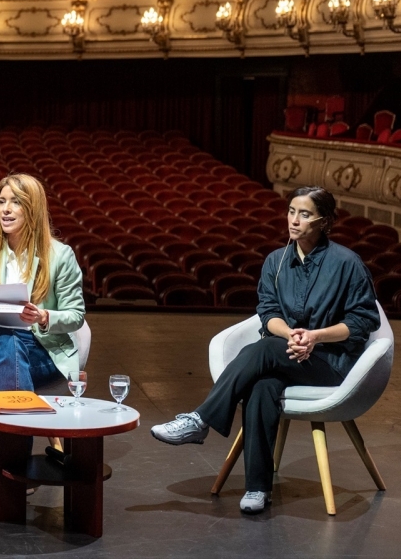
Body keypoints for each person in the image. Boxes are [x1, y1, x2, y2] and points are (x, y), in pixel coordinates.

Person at [150, 186, 380, 514]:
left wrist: (315, 336)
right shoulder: (276, 261)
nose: (294, 220)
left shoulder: (347, 263)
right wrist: (291, 335)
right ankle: (257, 489)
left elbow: (362, 321)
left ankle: (200, 419)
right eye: (291, 212)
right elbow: (268, 312)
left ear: (324, 221)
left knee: (263, 351)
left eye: (304, 214)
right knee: (261, 387)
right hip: (287, 353)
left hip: (330, 362)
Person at [0, 173, 86, 489]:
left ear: (33, 209)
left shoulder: (60, 256)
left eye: (15, 202)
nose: (6, 209)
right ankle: (15, 465)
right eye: (1, 202)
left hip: (41, 348)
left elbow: (76, 315)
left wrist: (42, 315)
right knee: (7, 340)